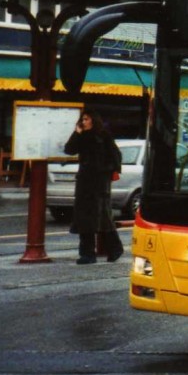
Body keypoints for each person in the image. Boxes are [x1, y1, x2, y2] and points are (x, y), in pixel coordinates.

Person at [63, 109, 124, 264]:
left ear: (93, 120)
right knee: (84, 218)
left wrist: (106, 170)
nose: (84, 121)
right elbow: (69, 149)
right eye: (82, 119)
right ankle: (87, 254)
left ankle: (115, 248)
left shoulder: (104, 136)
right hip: (85, 182)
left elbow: (116, 157)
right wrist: (76, 133)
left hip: (100, 183)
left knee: (102, 217)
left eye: (86, 119)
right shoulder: (82, 136)